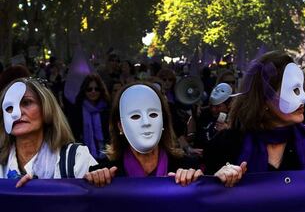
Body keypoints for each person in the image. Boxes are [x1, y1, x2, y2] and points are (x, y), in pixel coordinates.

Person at [203, 52, 305, 187]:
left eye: (301, 89)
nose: (303, 98)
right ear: (264, 98)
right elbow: (205, 195)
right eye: (293, 90)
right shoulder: (227, 143)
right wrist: (215, 179)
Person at [85, 81, 245, 187]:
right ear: (120, 126)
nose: (146, 123)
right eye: (135, 116)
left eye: (153, 115)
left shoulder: (188, 167)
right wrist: (92, 185)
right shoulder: (104, 173)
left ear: (163, 121)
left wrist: (217, 181)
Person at [0, 78, 97, 187]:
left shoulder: (76, 158)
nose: (16, 113)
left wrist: (98, 178)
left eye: (26, 103)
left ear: (46, 108)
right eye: (9, 108)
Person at [66, 73, 111, 160]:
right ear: (84, 90)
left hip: (107, 155)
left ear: (101, 90)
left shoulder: (107, 108)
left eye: (96, 89)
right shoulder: (77, 110)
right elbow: (73, 133)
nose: (93, 92)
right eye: (89, 89)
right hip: (83, 156)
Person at [194, 83, 233, 149]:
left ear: (228, 105)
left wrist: (228, 130)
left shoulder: (235, 120)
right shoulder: (204, 115)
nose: (213, 110)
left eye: (218, 107)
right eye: (211, 106)